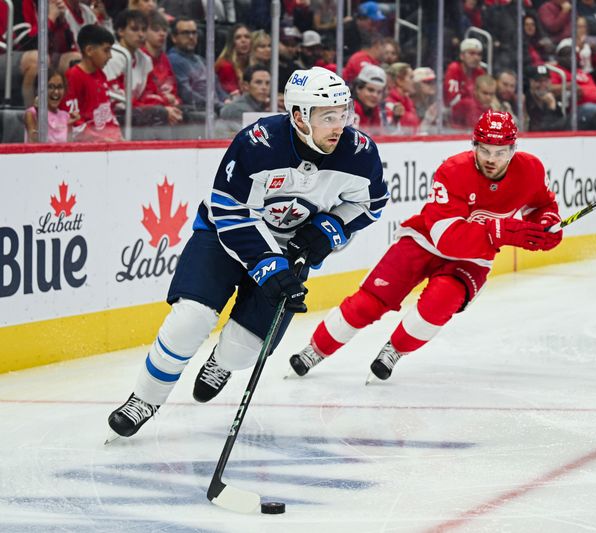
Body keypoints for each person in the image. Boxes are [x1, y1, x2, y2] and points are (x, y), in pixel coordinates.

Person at [106, 66, 388, 441]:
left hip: (290, 249)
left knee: (246, 348)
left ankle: (221, 364)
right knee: (190, 319)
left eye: (343, 113)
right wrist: (266, 262)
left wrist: (330, 230)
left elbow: (370, 204)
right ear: (300, 116)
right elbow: (228, 209)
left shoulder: (359, 152)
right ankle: (144, 400)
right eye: (328, 116)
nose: (340, 125)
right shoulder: (257, 143)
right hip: (223, 238)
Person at [286, 110, 562, 382]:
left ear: (513, 149)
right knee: (370, 301)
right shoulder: (453, 170)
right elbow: (446, 238)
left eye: (500, 152)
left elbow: (540, 204)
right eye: (485, 150)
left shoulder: (531, 169)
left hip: (473, 259)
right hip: (422, 242)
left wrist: (547, 220)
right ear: (474, 145)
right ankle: (315, 350)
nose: (491, 159)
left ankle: (394, 351)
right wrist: (502, 232)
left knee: (441, 301)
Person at [61, 24, 123, 142]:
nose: (110, 56)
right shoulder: (73, 76)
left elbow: (107, 112)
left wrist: (119, 137)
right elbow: (72, 121)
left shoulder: (101, 74)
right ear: (89, 50)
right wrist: (101, 139)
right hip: (87, 148)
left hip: (106, 142)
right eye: (106, 50)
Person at [168, 17, 229, 111]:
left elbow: (217, 87)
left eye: (194, 32)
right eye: (185, 33)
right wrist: (217, 105)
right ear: (174, 38)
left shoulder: (201, 60)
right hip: (200, 112)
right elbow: (186, 94)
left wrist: (227, 100)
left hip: (216, 108)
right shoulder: (174, 60)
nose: (191, 37)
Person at [24, 70, 78, 143]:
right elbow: (33, 143)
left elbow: (69, 147)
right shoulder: (32, 113)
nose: (56, 92)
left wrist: (71, 126)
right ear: (40, 90)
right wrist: (39, 114)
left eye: (60, 87)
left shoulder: (66, 116)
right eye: (50, 87)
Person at [215, 23, 252, 96]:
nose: (243, 40)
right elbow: (234, 95)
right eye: (238, 37)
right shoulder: (225, 66)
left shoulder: (251, 64)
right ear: (231, 42)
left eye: (247, 37)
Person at [352, 64, 387, 135]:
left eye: (379, 92)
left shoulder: (375, 110)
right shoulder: (352, 108)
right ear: (358, 88)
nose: (375, 95)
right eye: (370, 90)